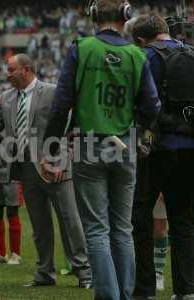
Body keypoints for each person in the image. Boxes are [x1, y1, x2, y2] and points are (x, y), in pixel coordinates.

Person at [42, 1, 161, 299]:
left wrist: (49, 149)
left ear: (94, 16)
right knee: (122, 228)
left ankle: (108, 296)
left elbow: (60, 105)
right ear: (125, 17)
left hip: (88, 146)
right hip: (124, 146)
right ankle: (124, 293)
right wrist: (139, 137)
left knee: (97, 230)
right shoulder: (137, 54)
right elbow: (152, 107)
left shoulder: (81, 48)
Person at [0, 53, 92, 288]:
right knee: (39, 224)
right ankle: (45, 273)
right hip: (25, 170)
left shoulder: (53, 92)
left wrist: (60, 159)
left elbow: (70, 126)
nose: (7, 74)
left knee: (70, 221)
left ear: (27, 69)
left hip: (55, 167)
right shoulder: (6, 98)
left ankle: (84, 272)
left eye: (11, 69)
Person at [131, 13, 194, 300]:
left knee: (140, 217)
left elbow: (142, 102)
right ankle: (186, 290)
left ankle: (145, 289)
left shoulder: (147, 56)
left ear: (141, 38)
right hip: (189, 146)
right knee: (183, 220)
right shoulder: (190, 53)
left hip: (157, 147)